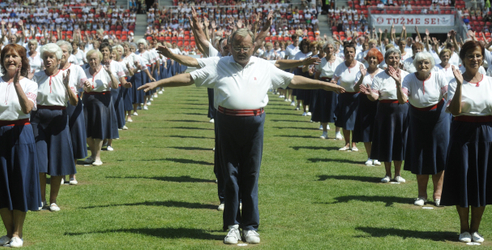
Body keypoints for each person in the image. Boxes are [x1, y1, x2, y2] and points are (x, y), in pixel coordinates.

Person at [138, 28, 345, 245]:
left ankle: (250, 226)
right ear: (229, 46)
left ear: (253, 47)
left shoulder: (264, 66)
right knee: (230, 176)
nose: (241, 51)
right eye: (237, 47)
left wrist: (324, 85)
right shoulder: (219, 64)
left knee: (251, 174)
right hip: (227, 123)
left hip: (255, 124)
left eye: (245, 47)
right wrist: (159, 83)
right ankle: (233, 226)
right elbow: (189, 77)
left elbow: (293, 81)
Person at [0, 44, 40, 248]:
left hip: (21, 134)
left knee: (19, 182)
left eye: (14, 56)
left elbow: (27, 108)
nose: (10, 59)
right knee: (0, 183)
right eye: (7, 56)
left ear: (22, 60)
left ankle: (17, 233)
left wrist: (16, 85)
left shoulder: (30, 84)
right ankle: (7, 232)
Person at [442, 41, 491, 243]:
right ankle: (463, 229)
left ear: (483, 58)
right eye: (470, 55)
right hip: (462, 133)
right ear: (463, 58)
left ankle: (475, 229)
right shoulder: (454, 81)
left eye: (478, 55)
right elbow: (455, 110)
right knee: (463, 178)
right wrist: (461, 85)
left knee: (482, 180)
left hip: (486, 134)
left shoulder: (490, 81)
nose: (474, 59)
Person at [396, 51, 449, 206]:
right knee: (420, 157)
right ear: (415, 65)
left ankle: (438, 195)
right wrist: (398, 85)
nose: (423, 65)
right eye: (420, 63)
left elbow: (447, 93)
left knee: (439, 156)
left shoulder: (439, 75)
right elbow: (402, 99)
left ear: (431, 64)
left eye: (426, 62)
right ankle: (421, 195)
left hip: (439, 119)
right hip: (417, 119)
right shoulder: (408, 78)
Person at [32, 43, 78, 212]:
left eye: (51, 57)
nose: (48, 60)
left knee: (57, 161)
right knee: (40, 161)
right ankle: (41, 199)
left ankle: (53, 201)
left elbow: (74, 102)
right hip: (38, 120)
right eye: (46, 57)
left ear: (59, 60)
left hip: (59, 120)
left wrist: (66, 85)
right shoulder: (36, 76)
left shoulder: (66, 75)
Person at [359, 48, 409, 183]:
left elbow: (406, 96)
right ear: (386, 60)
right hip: (384, 112)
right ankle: (387, 174)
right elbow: (375, 96)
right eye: (391, 58)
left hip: (401, 111)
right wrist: (369, 93)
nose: (394, 60)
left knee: (399, 141)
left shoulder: (406, 75)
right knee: (386, 141)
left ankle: (398, 174)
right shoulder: (379, 76)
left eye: (396, 57)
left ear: (400, 59)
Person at [57, 40, 90, 185]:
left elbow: (85, 86)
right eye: (59, 51)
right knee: (60, 140)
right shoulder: (52, 69)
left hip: (73, 106)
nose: (62, 53)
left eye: (64, 51)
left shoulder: (77, 69)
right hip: (56, 107)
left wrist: (87, 85)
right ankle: (61, 173)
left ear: (69, 53)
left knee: (74, 138)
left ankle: (72, 173)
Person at [83, 49, 119, 166]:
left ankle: (97, 157)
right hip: (88, 101)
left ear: (99, 59)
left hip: (102, 102)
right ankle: (93, 154)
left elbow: (115, 86)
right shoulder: (84, 71)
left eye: (95, 59)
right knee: (87, 131)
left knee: (98, 130)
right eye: (90, 59)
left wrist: (110, 73)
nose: (93, 61)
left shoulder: (105, 70)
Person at [333, 41, 365, 151]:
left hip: (357, 97)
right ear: (344, 53)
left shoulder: (361, 66)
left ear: (355, 53)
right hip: (344, 96)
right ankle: (347, 144)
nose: (349, 54)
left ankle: (354, 144)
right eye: (347, 52)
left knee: (355, 121)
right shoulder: (340, 67)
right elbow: (334, 79)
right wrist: (333, 84)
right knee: (345, 121)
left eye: (351, 52)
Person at [353, 48, 382, 166]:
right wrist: (361, 77)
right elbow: (355, 89)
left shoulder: (382, 72)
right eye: (370, 58)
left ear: (378, 60)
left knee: (378, 129)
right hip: (364, 103)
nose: (372, 60)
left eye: (374, 58)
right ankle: (370, 156)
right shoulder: (361, 72)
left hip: (379, 103)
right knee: (366, 129)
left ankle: (377, 156)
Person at [314, 40, 343, 139]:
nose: (329, 50)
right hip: (324, 86)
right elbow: (317, 75)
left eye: (331, 48)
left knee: (337, 108)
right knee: (324, 108)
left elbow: (342, 75)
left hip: (335, 87)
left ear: (334, 49)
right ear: (324, 49)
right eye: (327, 48)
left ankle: (337, 132)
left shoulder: (339, 60)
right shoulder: (320, 61)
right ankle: (325, 132)